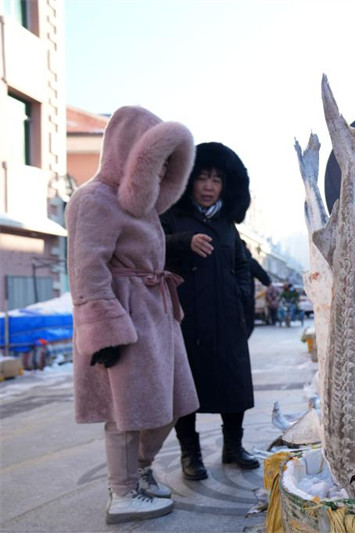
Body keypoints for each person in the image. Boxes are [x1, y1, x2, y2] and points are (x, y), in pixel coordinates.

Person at [66, 106, 199, 524]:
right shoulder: (93, 199)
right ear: (132, 155)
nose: (161, 173)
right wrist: (104, 333)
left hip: (157, 313)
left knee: (171, 404)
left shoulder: (144, 210)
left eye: (166, 165)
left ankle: (139, 471)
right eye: (155, 162)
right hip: (123, 318)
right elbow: (87, 269)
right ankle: (122, 492)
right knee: (125, 413)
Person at [161, 142, 259, 481]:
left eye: (216, 180)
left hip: (227, 318)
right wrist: (182, 242)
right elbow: (148, 249)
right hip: (185, 319)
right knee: (186, 389)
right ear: (189, 181)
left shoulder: (227, 224)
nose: (208, 186)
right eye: (202, 178)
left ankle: (234, 447)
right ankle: (191, 454)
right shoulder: (172, 217)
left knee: (234, 385)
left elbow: (242, 265)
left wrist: (243, 300)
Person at [242, 242, 272, 336]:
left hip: (231, 298)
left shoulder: (226, 258)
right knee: (246, 327)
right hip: (246, 298)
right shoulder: (249, 260)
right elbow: (262, 274)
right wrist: (268, 283)